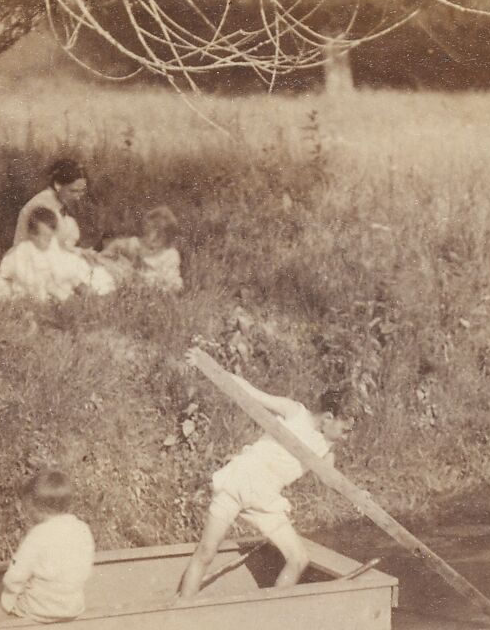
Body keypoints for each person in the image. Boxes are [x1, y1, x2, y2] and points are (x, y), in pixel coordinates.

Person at [177, 348, 356, 599]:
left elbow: (331, 479)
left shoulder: (327, 448)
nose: (347, 437)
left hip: (265, 496)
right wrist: (206, 364)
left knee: (298, 559)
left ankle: (270, 615)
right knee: (206, 551)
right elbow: (249, 392)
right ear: (328, 417)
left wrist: (360, 495)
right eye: (345, 430)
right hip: (241, 480)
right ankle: (182, 613)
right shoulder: (295, 412)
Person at [0, 469, 96, 622]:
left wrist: (10, 593)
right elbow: (85, 569)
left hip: (40, 609)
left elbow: (15, 577)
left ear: (35, 507)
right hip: (73, 606)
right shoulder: (82, 529)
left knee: (9, 596)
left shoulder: (38, 534)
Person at [0, 205, 115, 301]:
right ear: (32, 234)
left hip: (59, 285)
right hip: (33, 287)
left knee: (84, 279)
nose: (47, 241)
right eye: (43, 237)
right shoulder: (23, 251)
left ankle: (85, 292)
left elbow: (67, 267)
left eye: (50, 237)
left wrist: (75, 282)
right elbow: (7, 270)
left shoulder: (54, 250)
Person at [98, 206, 184, 293]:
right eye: (148, 232)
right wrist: (106, 254)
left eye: (160, 235)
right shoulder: (136, 244)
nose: (152, 237)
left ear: (168, 237)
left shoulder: (169, 254)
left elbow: (171, 281)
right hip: (129, 282)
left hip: (152, 288)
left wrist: (148, 279)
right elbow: (117, 244)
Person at [12, 158, 91, 252]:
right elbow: (45, 247)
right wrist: (78, 253)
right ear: (57, 185)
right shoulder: (41, 205)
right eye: (73, 191)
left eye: (82, 191)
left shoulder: (61, 201)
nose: (78, 197)